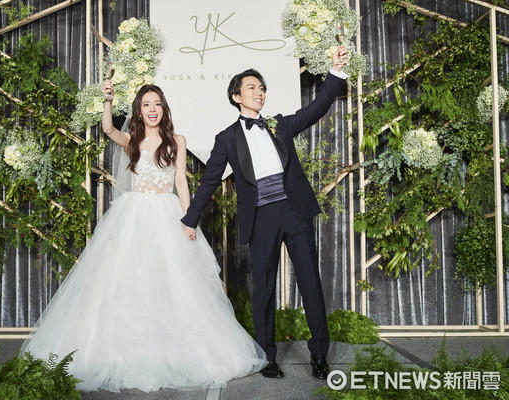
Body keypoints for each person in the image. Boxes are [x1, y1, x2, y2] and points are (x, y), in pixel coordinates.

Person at [21, 83, 267, 392]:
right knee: (128, 281)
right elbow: (108, 129)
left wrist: (189, 219)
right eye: (146, 104)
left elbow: (181, 181)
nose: (152, 109)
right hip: (133, 217)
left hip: (167, 214)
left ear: (164, 109)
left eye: (157, 104)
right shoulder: (132, 140)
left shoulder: (177, 141)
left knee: (173, 281)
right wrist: (108, 101)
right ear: (139, 111)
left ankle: (175, 349)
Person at [181, 47, 349, 380]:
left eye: (261, 88)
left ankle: (319, 355)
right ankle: (267, 356)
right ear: (236, 96)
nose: (259, 92)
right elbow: (210, 180)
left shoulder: (280, 125)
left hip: (294, 212)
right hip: (261, 218)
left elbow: (317, 108)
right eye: (252, 88)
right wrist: (190, 219)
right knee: (264, 289)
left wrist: (335, 71)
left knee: (310, 283)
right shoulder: (226, 139)